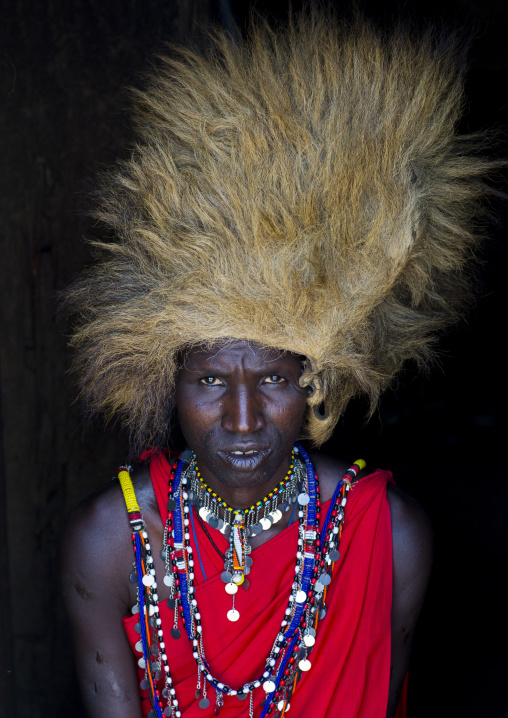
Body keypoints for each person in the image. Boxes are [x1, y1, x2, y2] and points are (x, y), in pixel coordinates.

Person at [61, 10, 495, 718]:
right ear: (167, 382)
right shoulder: (110, 542)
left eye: (272, 380)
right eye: (209, 381)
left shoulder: (387, 538)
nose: (241, 421)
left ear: (314, 381)